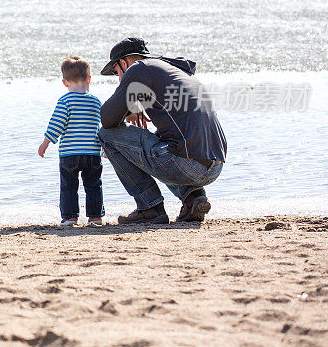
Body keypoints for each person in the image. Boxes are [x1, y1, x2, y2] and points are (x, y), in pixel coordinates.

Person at [97, 38, 227, 224]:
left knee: (106, 135)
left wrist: (126, 107)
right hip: (214, 165)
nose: (119, 78)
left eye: (117, 72)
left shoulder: (138, 68)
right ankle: (192, 198)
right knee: (164, 143)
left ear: (125, 62)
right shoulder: (172, 70)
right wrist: (132, 107)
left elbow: (107, 119)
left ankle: (149, 207)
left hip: (186, 164)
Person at [38, 56, 104, 227]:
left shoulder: (65, 101)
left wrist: (46, 143)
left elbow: (57, 124)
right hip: (92, 152)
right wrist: (105, 147)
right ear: (89, 79)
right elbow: (101, 127)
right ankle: (96, 216)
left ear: (64, 82)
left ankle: (70, 217)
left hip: (70, 153)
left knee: (68, 186)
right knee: (94, 185)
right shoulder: (96, 101)